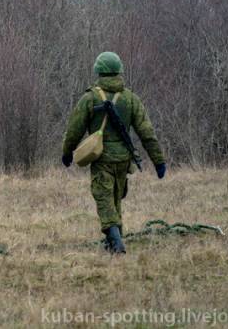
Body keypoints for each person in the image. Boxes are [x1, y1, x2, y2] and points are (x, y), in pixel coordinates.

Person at [61, 52, 166, 254]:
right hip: (124, 160)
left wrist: (67, 152)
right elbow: (147, 133)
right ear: (119, 71)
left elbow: (74, 130)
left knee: (103, 197)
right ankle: (113, 241)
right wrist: (158, 161)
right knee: (116, 197)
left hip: (101, 158)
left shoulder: (89, 98)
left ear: (98, 71)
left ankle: (116, 243)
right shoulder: (130, 99)